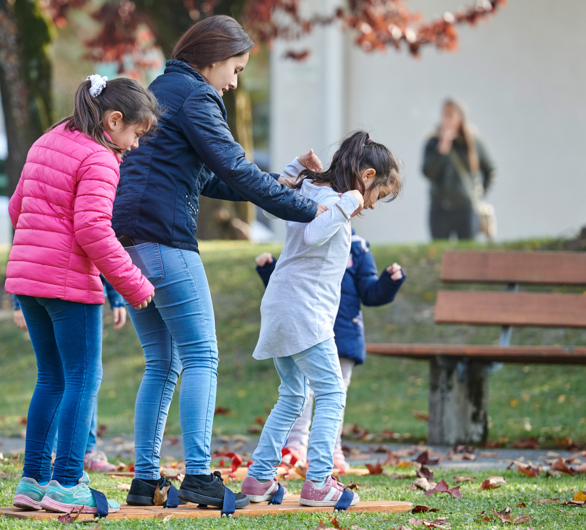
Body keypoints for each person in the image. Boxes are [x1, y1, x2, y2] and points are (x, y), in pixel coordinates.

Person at [112, 15, 327, 512]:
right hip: (165, 240)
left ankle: (145, 481)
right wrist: (310, 209)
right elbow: (233, 166)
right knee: (201, 357)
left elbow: (210, 178)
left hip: (127, 245)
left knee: (162, 363)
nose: (234, 82)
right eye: (235, 68)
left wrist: (285, 182)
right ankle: (200, 478)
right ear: (212, 58)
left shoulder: (164, 89)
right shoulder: (197, 96)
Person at [7, 75, 158, 515]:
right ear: (114, 120)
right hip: (68, 283)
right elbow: (92, 229)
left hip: (28, 281)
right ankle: (68, 482)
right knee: (82, 379)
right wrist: (133, 284)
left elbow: (17, 207)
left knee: (50, 379)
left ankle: (33, 481)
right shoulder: (100, 158)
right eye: (135, 134)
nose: (133, 145)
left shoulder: (49, 139)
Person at [240, 131, 401, 507]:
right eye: (377, 194)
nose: (372, 206)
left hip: (281, 306)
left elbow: (270, 205)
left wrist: (295, 169)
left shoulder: (310, 190)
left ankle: (259, 479)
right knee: (331, 393)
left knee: (293, 395)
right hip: (303, 311)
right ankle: (318, 483)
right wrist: (348, 203)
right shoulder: (333, 200)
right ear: (367, 176)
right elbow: (314, 235)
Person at [253, 230, 405, 474]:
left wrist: (389, 281)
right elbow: (288, 285)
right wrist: (268, 270)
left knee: (334, 396)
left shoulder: (357, 248)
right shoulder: (304, 237)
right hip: (305, 331)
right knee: (300, 393)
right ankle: (295, 447)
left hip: (342, 336)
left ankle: (332, 451)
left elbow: (371, 293)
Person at [10, 277, 127, 473]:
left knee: (69, 378)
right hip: (67, 289)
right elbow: (103, 248)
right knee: (78, 378)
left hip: (67, 285)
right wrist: (17, 302)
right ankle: (61, 465)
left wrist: (116, 298)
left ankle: (44, 471)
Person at [422, 99, 496, 240]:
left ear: (460, 117)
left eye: (450, 115)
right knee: (439, 252)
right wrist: (441, 149)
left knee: (467, 254)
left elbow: (490, 170)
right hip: (439, 208)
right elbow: (427, 172)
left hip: (465, 208)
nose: (446, 120)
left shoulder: (472, 141)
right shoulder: (433, 141)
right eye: (444, 115)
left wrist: (479, 193)